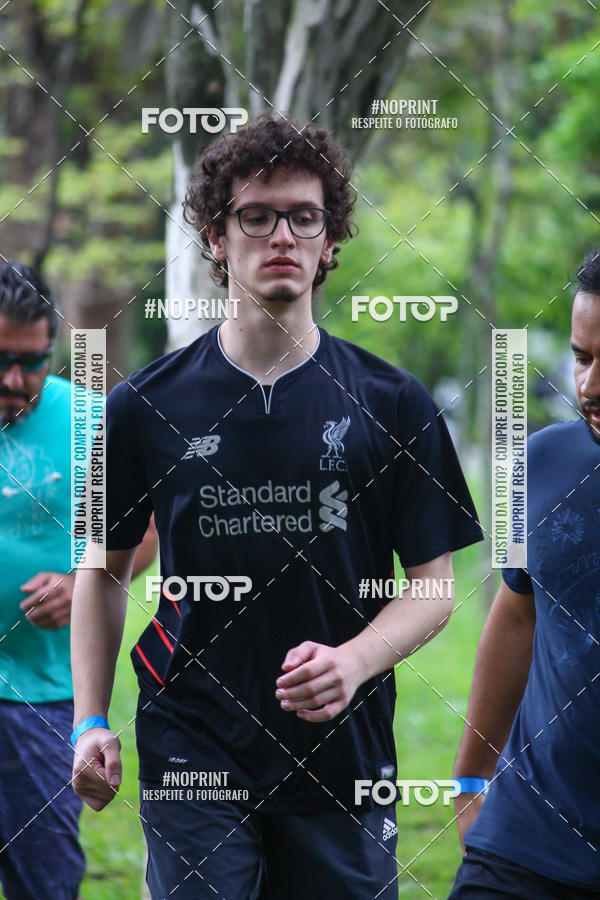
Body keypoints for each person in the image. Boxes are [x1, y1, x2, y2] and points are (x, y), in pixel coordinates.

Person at [71, 114, 483, 899]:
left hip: (344, 753)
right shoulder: (142, 407)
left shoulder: (395, 404)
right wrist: (92, 721)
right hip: (191, 740)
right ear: (218, 238)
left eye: (304, 216)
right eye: (256, 217)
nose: (282, 235)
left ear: (331, 240)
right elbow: (103, 569)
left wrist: (355, 662)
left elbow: (435, 583)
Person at [0, 261, 158, 900]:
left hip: (37, 696)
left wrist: (79, 580)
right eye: (0, 360)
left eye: (32, 363)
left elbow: (147, 529)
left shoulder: (91, 422)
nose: (14, 380)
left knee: (45, 881)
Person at [449, 250, 600, 898]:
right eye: (583, 356)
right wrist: (470, 780)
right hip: (523, 845)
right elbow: (516, 615)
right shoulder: (539, 465)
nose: (588, 385)